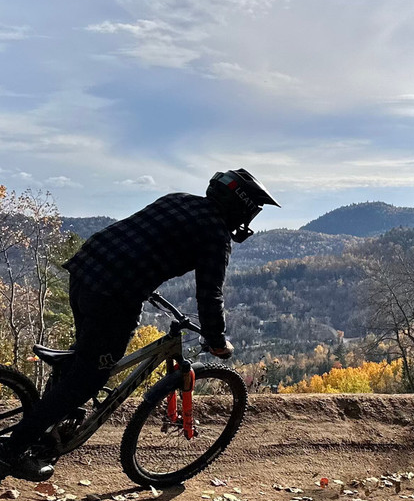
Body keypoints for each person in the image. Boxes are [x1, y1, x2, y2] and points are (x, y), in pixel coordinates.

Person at [0, 169, 279, 482]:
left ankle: (51, 426)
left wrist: (145, 283)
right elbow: (210, 295)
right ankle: (13, 452)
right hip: (113, 294)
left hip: (85, 270)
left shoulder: (180, 200)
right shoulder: (215, 234)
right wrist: (216, 340)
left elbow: (142, 242)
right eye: (252, 211)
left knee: (86, 354)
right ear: (240, 206)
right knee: (90, 377)